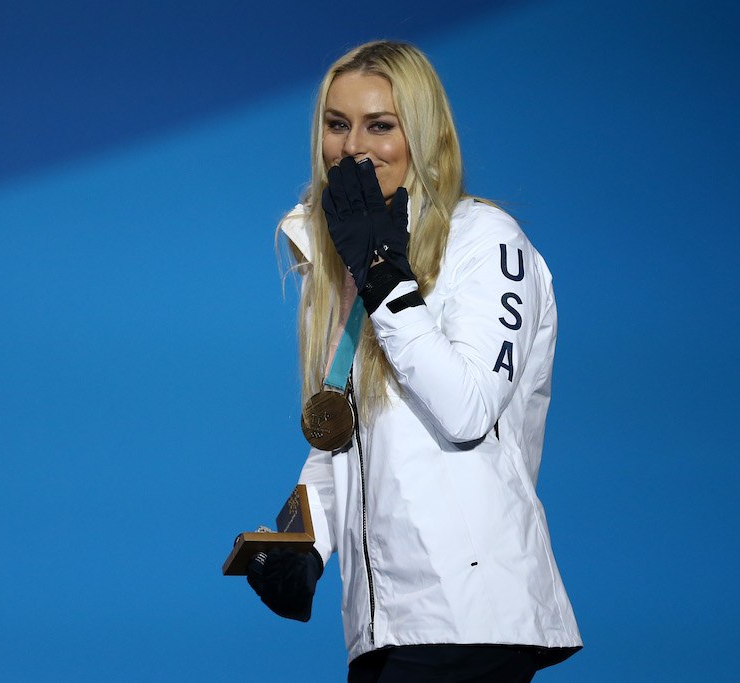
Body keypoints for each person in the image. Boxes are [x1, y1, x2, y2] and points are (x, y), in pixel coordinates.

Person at [247, 40, 582, 682]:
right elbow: (346, 430)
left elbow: (466, 411)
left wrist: (383, 276)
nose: (354, 148)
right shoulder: (349, 269)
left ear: (423, 134)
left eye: (380, 125)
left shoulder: (486, 241)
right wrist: (303, 541)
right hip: (386, 627)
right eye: (337, 125)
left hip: (471, 618)